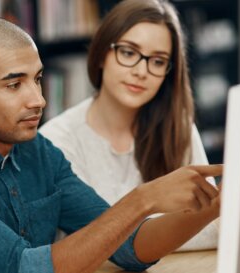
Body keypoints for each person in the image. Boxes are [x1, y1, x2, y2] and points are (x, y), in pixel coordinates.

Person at [0, 15, 222, 273]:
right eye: (14, 84)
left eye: (36, 80)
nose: (39, 100)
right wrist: (142, 200)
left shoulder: (38, 149)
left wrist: (219, 206)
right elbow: (21, 267)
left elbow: (129, 248)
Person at [40, 0, 218, 251]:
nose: (141, 71)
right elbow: (88, 247)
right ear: (102, 54)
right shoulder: (55, 141)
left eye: (157, 61)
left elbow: (213, 226)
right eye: (128, 53)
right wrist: (175, 224)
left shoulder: (177, 127)